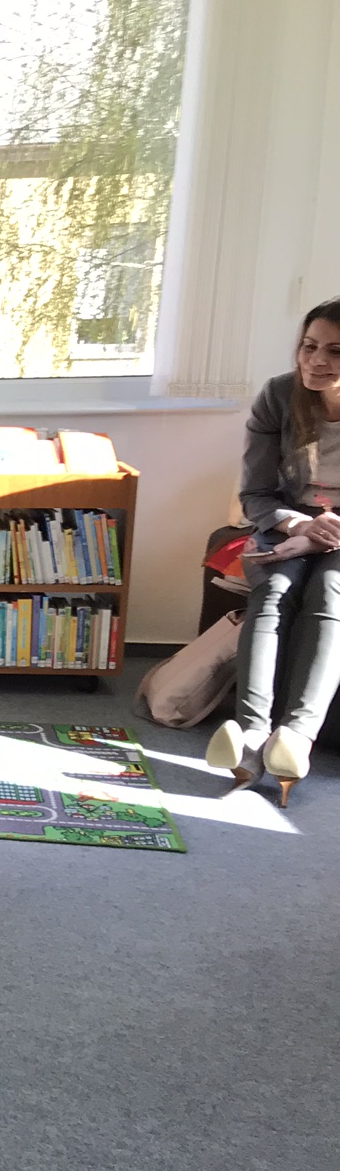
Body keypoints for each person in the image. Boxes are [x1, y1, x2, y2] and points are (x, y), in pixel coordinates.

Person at [208, 297, 340, 805]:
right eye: (309, 346)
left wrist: (324, 534)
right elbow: (256, 493)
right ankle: (252, 734)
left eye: (335, 351)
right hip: (287, 521)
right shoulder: (279, 395)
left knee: (330, 589)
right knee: (273, 590)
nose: (316, 361)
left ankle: (298, 736)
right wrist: (300, 527)